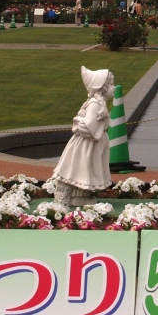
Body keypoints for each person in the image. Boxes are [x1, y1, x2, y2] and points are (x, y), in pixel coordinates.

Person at [50, 67, 114, 209]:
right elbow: (87, 126)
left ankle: (81, 196)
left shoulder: (98, 103)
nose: (114, 88)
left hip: (92, 145)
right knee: (75, 169)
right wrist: (86, 125)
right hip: (85, 145)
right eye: (111, 85)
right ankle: (62, 199)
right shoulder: (95, 104)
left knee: (86, 170)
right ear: (102, 88)